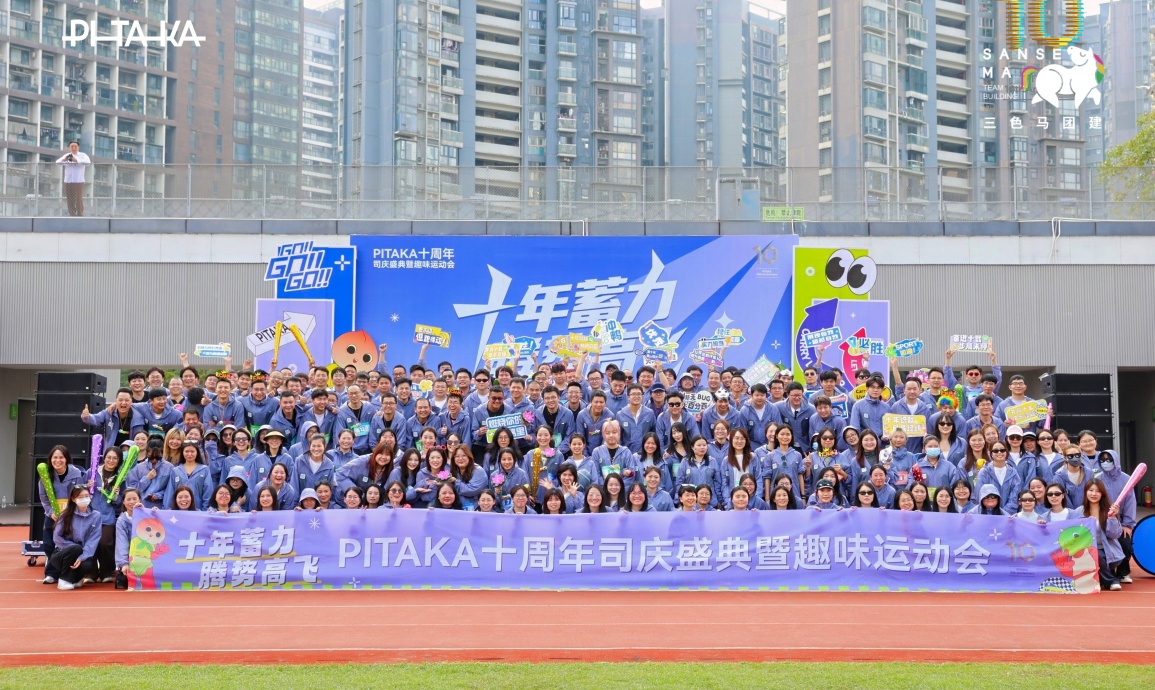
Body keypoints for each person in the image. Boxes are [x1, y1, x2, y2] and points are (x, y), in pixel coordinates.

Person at [49, 486, 102, 590]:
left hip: (82, 553)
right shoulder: (65, 515)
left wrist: (82, 556)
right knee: (76, 548)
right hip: (62, 554)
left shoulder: (96, 516)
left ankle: (75, 579)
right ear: (73, 499)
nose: (84, 499)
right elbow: (57, 537)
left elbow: (93, 540)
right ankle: (64, 580)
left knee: (88, 564)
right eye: (80, 497)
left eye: (86, 496)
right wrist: (75, 548)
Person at [1082, 479, 1124, 591]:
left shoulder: (1108, 511)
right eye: (1091, 490)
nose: (1094, 494)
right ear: (1085, 492)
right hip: (1085, 552)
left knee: (1096, 554)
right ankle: (1107, 577)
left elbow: (1114, 535)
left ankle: (1111, 580)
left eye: (1098, 491)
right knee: (1093, 552)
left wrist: (1112, 518)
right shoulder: (1078, 512)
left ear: (1102, 494)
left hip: (1108, 551)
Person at [57, 140, 91, 216]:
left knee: (79, 197)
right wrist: (64, 159)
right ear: (69, 148)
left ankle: (80, 213)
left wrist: (77, 160)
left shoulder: (83, 155)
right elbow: (58, 162)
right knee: (70, 198)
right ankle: (72, 213)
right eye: (72, 146)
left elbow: (88, 162)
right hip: (68, 180)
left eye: (75, 146)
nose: (73, 148)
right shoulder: (67, 155)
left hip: (79, 180)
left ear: (78, 147)